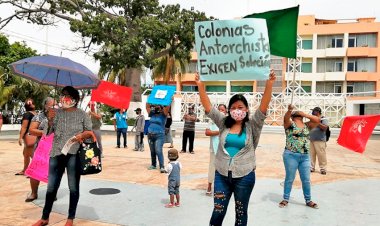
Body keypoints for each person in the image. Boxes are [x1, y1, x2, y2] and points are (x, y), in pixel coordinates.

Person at [195, 70, 276, 226]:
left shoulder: (253, 124)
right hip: (221, 175)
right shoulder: (223, 122)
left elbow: (263, 107)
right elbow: (209, 109)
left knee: (240, 213)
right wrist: (200, 86)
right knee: (218, 211)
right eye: (233, 107)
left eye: (240, 107)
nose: (237, 110)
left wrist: (269, 84)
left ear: (246, 109)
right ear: (229, 110)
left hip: (245, 176)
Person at [32, 86, 93, 226]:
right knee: (51, 187)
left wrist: (81, 135)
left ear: (75, 99)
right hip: (56, 153)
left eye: (67, 95)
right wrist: (50, 120)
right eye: (62, 95)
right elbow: (46, 133)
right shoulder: (56, 113)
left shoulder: (83, 114)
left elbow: (89, 132)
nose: (64, 98)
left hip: (74, 154)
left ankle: (70, 218)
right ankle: (44, 218)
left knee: (73, 187)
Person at [278, 104, 320, 209]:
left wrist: (305, 114)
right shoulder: (289, 125)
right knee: (290, 178)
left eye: (299, 114)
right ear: (292, 117)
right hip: (291, 155)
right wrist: (289, 110)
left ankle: (308, 200)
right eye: (296, 114)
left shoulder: (307, 125)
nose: (298, 114)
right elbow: (285, 118)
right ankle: (285, 199)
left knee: (306, 179)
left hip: (305, 156)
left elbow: (317, 120)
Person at [26, 97, 55, 202]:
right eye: (51, 105)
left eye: (55, 105)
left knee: (53, 171)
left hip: (55, 148)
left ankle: (52, 192)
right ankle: (34, 193)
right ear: (45, 106)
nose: (53, 107)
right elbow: (31, 130)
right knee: (35, 170)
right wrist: (45, 133)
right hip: (40, 147)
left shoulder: (60, 117)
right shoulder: (39, 116)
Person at [205, 104, 227, 196]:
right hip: (214, 148)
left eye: (223, 110)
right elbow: (207, 132)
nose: (221, 111)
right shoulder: (212, 121)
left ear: (226, 112)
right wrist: (219, 132)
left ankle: (223, 187)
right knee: (212, 167)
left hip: (225, 149)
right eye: (219, 110)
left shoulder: (228, 122)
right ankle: (209, 185)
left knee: (224, 168)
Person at [146, 103, 170, 173]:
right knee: (152, 151)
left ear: (161, 107)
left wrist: (168, 100)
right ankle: (153, 164)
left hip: (159, 135)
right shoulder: (152, 113)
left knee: (158, 150)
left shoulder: (164, 114)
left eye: (158, 106)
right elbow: (147, 107)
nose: (156, 107)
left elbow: (167, 107)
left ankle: (162, 166)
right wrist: (149, 99)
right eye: (155, 105)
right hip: (150, 134)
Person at [16, 98, 37, 176]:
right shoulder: (36, 114)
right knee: (25, 154)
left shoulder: (27, 114)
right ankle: (25, 170)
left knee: (31, 154)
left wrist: (20, 137)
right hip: (34, 135)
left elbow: (24, 127)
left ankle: (34, 171)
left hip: (29, 136)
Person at [308, 106, 329, 175]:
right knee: (311, 155)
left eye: (314, 112)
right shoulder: (312, 118)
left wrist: (317, 122)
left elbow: (325, 128)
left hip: (320, 140)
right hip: (311, 139)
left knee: (321, 155)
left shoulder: (323, 118)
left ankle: (323, 169)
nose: (313, 113)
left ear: (318, 112)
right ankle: (311, 167)